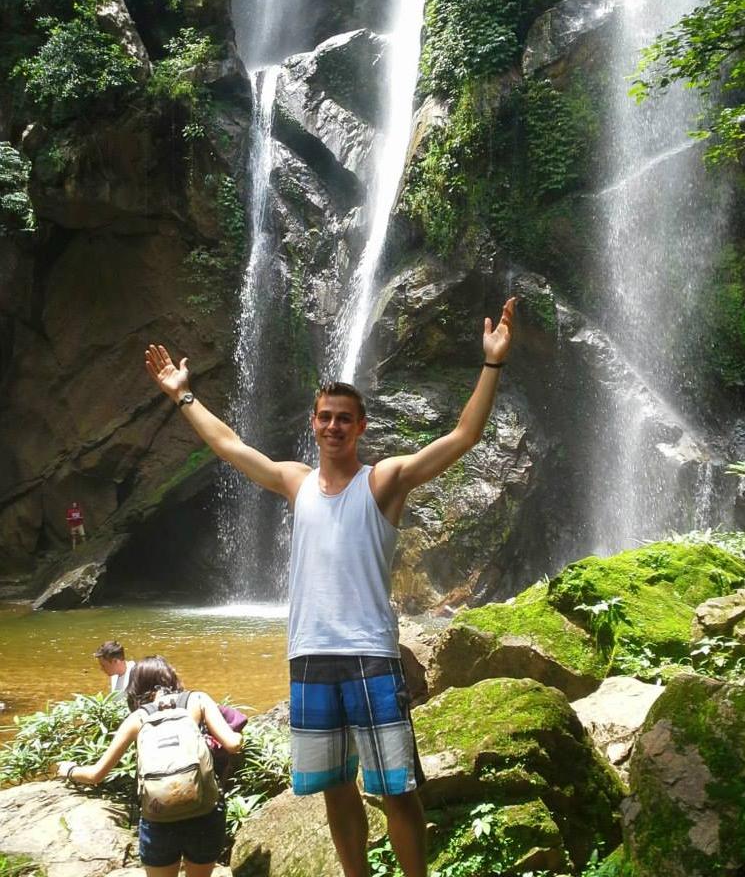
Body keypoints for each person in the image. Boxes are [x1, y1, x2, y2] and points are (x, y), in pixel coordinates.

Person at [144, 297, 516, 877]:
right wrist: (183, 395)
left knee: (397, 790)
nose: (334, 426)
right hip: (311, 656)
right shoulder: (296, 483)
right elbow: (229, 447)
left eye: (345, 418)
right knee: (336, 790)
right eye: (325, 417)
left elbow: (465, 434)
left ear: (361, 426)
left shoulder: (384, 480)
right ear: (313, 425)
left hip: (369, 654)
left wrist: (491, 364)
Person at [58, 655, 242, 877]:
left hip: (159, 816)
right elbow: (232, 744)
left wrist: (67, 769)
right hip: (204, 813)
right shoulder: (198, 699)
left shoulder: (137, 718)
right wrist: (237, 733)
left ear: (137, 685)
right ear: (171, 677)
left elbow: (96, 775)